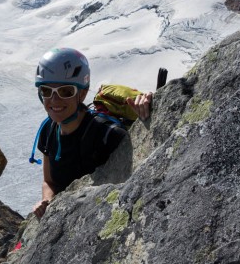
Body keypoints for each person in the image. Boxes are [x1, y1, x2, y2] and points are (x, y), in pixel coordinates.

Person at [31, 47, 152, 218]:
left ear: (82, 93)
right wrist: (47, 202)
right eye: (46, 91)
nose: (54, 99)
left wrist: (150, 113)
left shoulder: (108, 135)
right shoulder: (48, 130)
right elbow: (49, 182)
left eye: (65, 91)